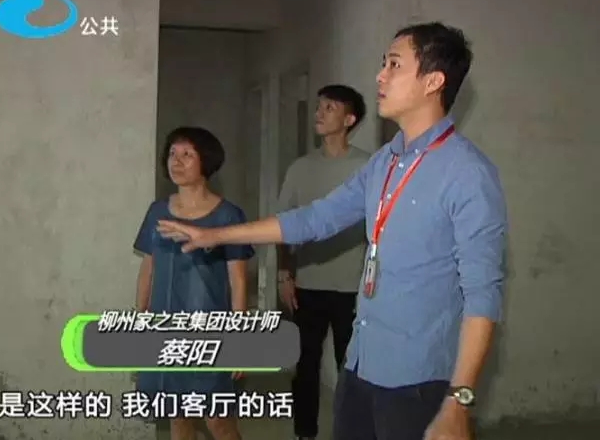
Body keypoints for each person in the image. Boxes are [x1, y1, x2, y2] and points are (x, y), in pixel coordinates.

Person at [156, 22, 507, 440]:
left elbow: (483, 294)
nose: (380, 75)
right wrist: (215, 236)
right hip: (360, 366)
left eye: (394, 65)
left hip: (419, 380)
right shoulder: (384, 162)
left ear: (433, 81)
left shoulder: (467, 173)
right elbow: (314, 218)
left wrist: (458, 400)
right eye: (383, 64)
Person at [133, 126, 254, 440]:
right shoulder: (157, 212)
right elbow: (148, 267)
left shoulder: (228, 216)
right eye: (173, 153)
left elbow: (238, 280)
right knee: (178, 417)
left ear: (206, 161)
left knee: (218, 421)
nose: (177, 160)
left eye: (188, 154)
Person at [276, 84, 370, 440]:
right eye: (319, 106)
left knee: (353, 369)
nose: (319, 113)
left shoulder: (367, 167)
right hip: (308, 285)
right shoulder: (300, 168)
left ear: (349, 119)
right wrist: (285, 274)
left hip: (354, 288)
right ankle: (305, 433)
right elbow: (284, 225)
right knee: (305, 365)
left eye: (329, 107)